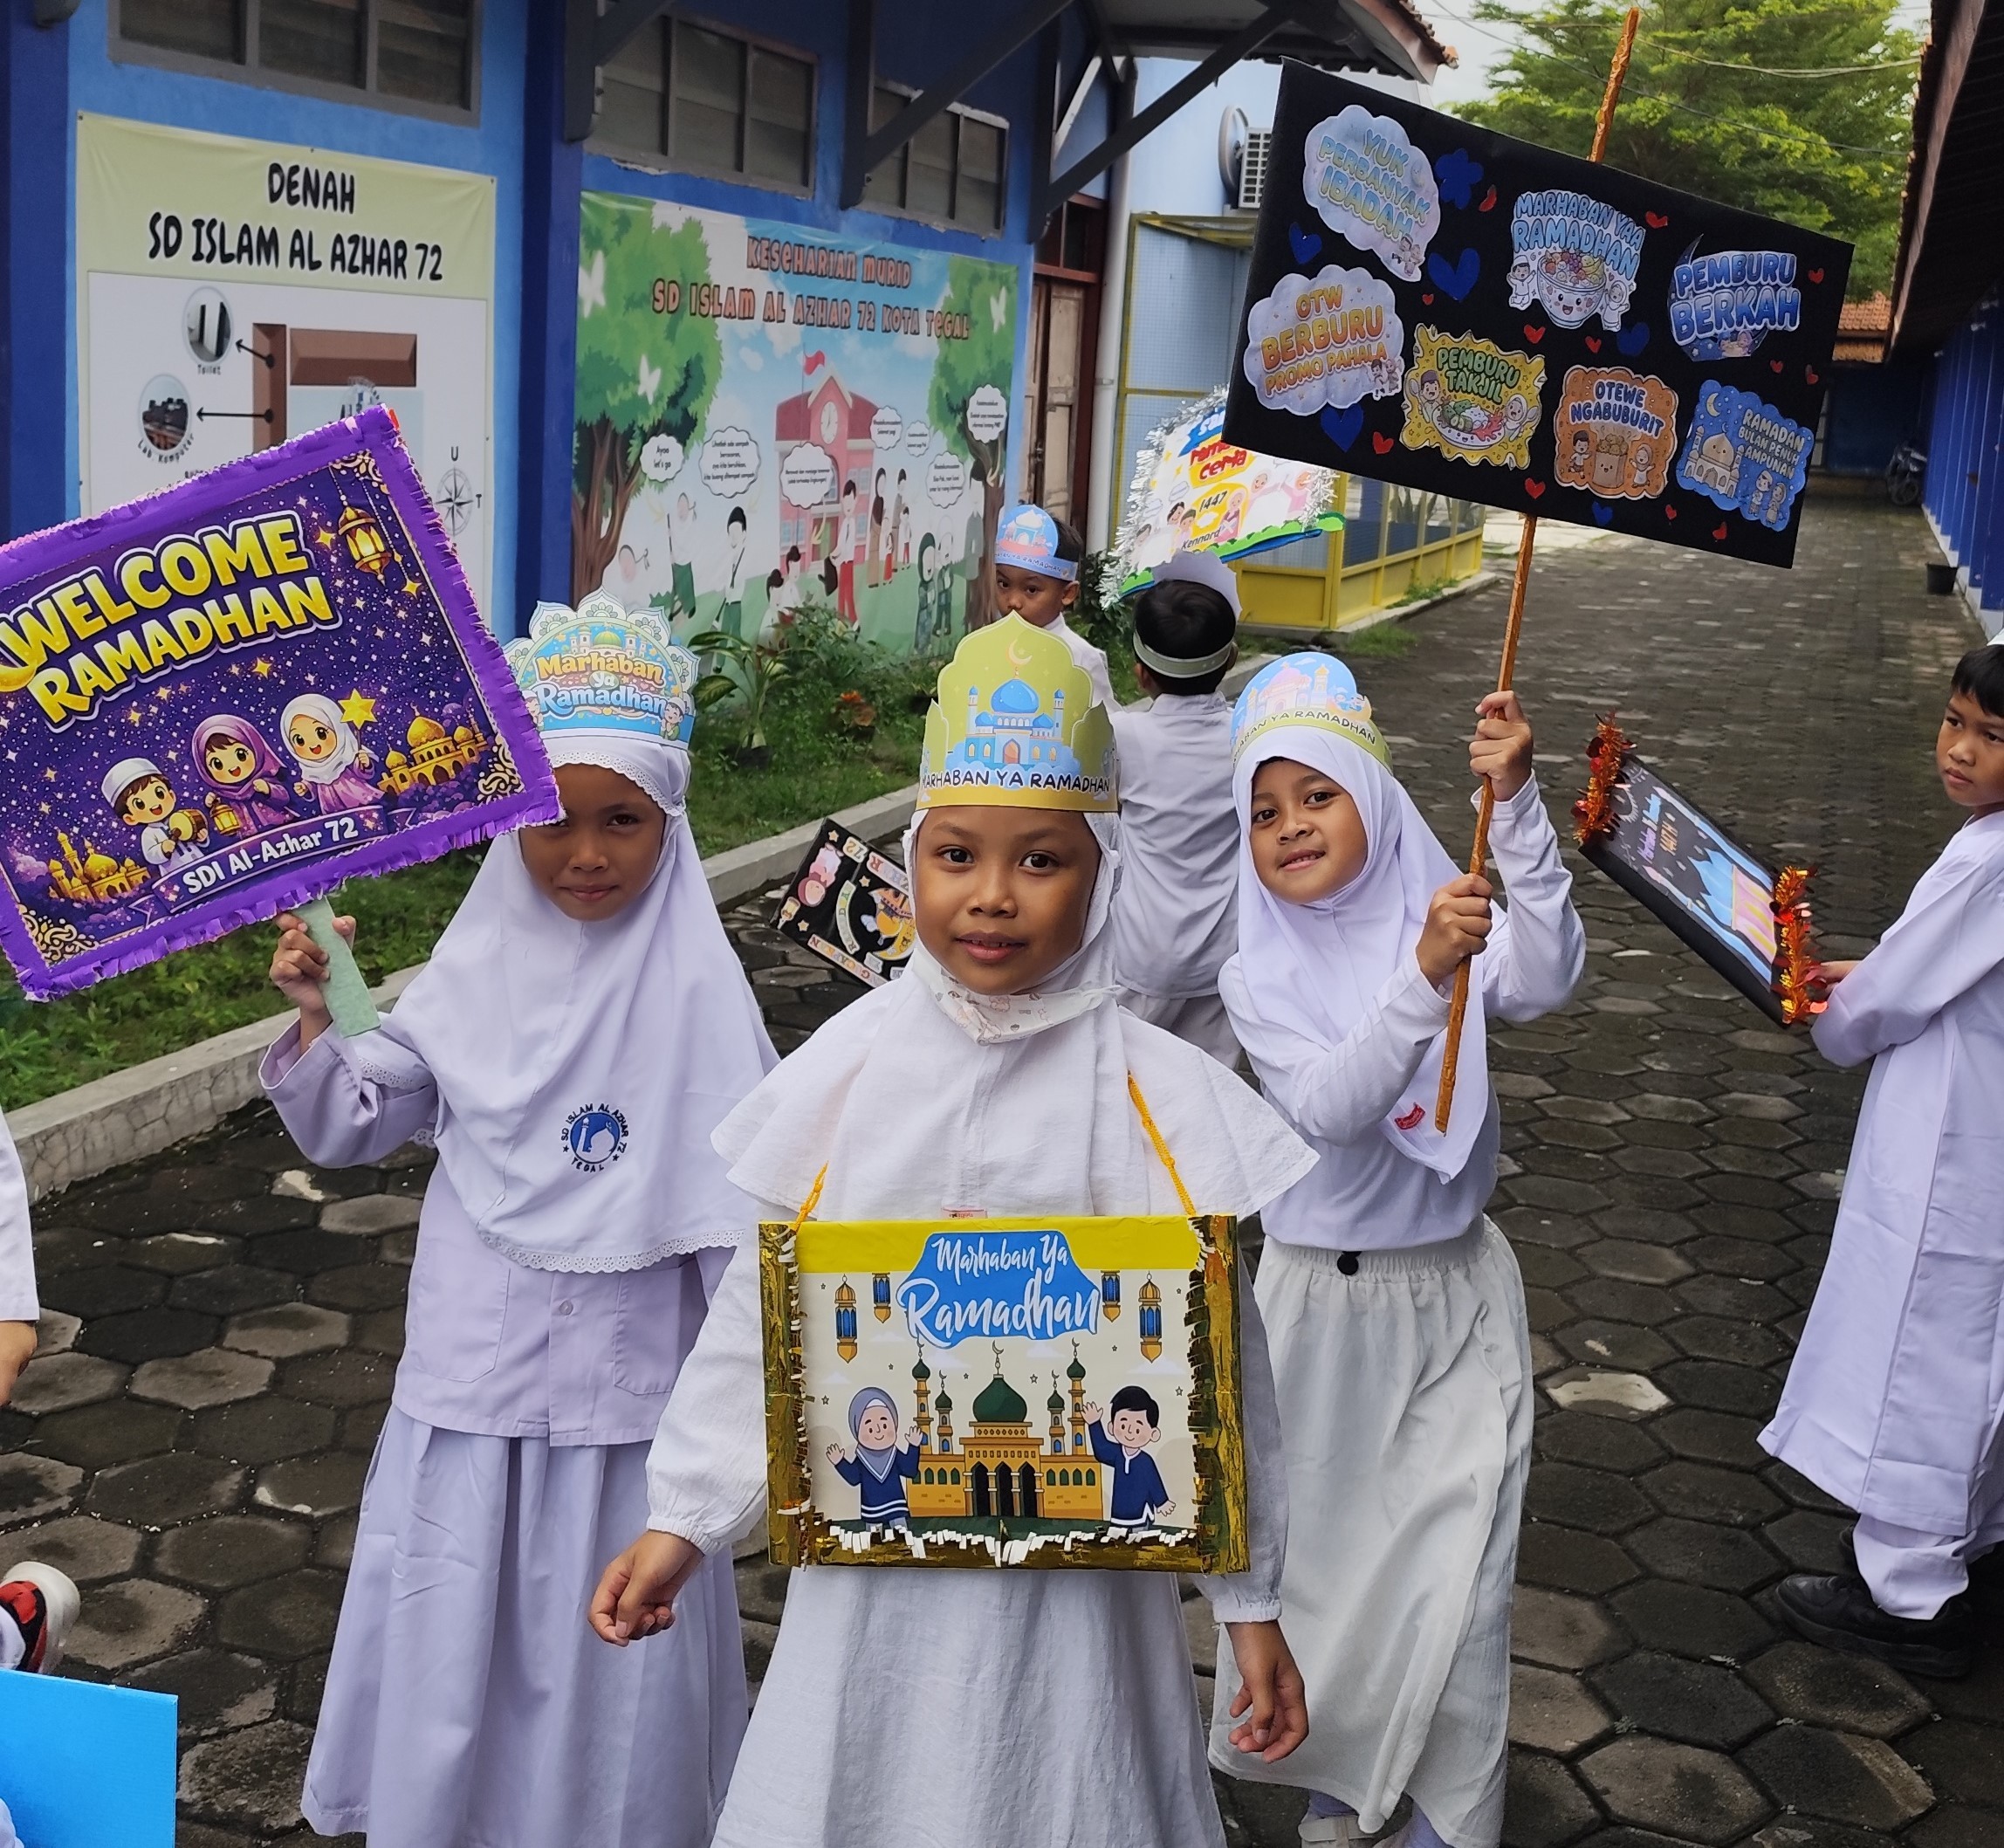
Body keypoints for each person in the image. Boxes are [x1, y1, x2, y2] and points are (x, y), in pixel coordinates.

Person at [589, 615, 1316, 1848]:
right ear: (911, 862)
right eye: (956, 856)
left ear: (1106, 872)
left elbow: (1216, 1367)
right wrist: (687, 1514)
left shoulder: (1153, 1092)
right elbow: (761, 1318)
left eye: (1042, 861)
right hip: (873, 1582)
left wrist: (1249, 1601)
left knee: (1067, 1787)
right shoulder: (850, 1071)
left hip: (1083, 1603)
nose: (991, 897)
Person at [267, 594, 775, 1848]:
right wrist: (323, 1015)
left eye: (624, 820)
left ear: (673, 822)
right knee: (457, 1652)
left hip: (630, 1428)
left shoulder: (704, 1006)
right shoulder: (474, 970)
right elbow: (360, 1121)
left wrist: (747, 1461)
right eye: (552, 817)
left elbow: (750, 1260)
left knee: (619, 1695)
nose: (585, 853)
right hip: (473, 1398)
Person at [1216, 655, 1583, 1848]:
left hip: (1459, 1296)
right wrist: (1423, 978)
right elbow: (1327, 1103)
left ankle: (1446, 1811)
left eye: (1316, 795)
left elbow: (1546, 971)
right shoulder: (1257, 967)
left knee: (1464, 1579)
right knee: (1328, 1587)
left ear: (1371, 796)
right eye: (1264, 811)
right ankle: (1342, 1777)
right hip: (1318, 1316)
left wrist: (1518, 806)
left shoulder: (1446, 891)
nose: (1290, 828)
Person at [1762, 643, 2004, 1680]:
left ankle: (1909, 1589)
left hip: (1953, 1147)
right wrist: (1870, 972)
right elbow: (1933, 968)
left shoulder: (1986, 857)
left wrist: (1821, 1003)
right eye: (1954, 720)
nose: (1957, 749)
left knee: (1923, 1347)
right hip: (1979, 1130)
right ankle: (1968, 1538)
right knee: (1975, 1350)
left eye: (1990, 737)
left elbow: (1884, 1005)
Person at [1110, 553, 1244, 1067]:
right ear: (1230, 660)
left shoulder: (1126, 737)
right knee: (1210, 1090)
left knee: (1127, 1081)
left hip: (1141, 952)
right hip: (1223, 953)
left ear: (1141, 673)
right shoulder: (1247, 737)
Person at [992, 503, 1118, 710]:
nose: (1013, 601)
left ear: (1067, 594)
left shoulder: (1082, 658)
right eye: (1004, 584)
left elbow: (1103, 729)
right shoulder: (984, 647)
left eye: (1031, 590)